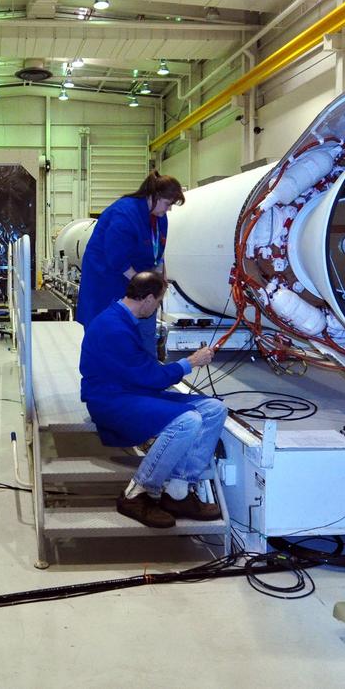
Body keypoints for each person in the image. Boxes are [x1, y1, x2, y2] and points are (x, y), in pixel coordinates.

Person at [79, 271, 226, 528]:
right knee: (187, 421)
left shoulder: (123, 319)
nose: (157, 308)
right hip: (111, 400)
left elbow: (142, 373)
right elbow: (150, 377)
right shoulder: (114, 328)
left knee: (214, 409)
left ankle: (178, 493)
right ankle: (136, 493)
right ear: (147, 298)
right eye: (158, 302)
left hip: (132, 390)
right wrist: (190, 362)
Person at [75, 172, 186, 345]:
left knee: (143, 335)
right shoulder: (125, 213)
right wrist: (144, 288)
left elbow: (158, 253)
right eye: (167, 203)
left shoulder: (160, 218)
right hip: (107, 282)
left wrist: (158, 281)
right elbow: (116, 258)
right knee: (107, 338)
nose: (169, 209)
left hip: (137, 282)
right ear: (154, 196)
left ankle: (145, 367)